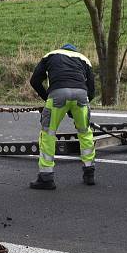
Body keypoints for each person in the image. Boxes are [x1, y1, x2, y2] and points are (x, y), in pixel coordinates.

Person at [28, 44, 96, 190]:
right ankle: (89, 172)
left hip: (57, 94)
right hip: (81, 95)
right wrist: (79, 107)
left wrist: (47, 98)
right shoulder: (83, 58)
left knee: (48, 134)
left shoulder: (50, 55)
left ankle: (46, 177)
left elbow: (34, 80)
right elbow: (91, 89)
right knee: (85, 132)